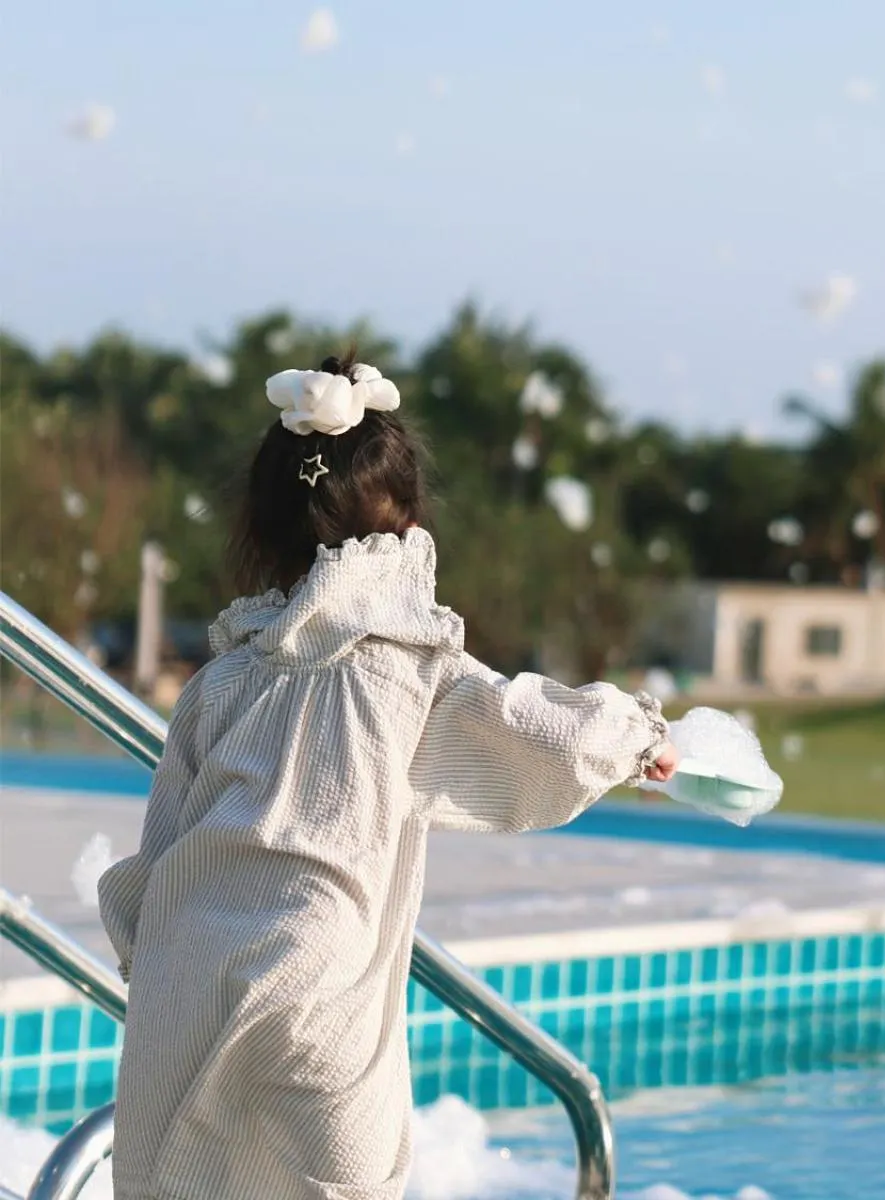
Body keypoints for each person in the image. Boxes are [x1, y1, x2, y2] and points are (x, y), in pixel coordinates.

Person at [97, 354, 678, 1200]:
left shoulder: (220, 684)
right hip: (317, 978)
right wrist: (637, 740)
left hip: (188, 969)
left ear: (263, 532)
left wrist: (160, 962)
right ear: (408, 534)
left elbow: (155, 863)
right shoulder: (410, 673)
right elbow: (534, 728)